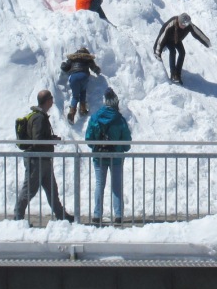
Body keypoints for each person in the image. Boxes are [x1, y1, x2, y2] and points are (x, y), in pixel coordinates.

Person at [14, 89, 74, 222]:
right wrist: (51, 140)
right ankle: (18, 216)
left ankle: (61, 215)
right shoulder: (39, 118)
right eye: (51, 99)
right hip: (37, 160)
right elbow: (38, 138)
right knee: (30, 189)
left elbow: (40, 137)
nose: (52, 101)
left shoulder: (39, 116)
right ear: (47, 101)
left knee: (52, 189)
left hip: (44, 159)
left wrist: (51, 138)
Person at [85, 88, 132, 225]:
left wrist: (96, 147)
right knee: (116, 186)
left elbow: (88, 138)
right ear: (116, 103)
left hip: (99, 156)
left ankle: (97, 214)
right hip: (116, 156)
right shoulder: (119, 119)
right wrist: (122, 148)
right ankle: (118, 215)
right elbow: (126, 141)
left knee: (99, 184)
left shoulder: (95, 118)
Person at [153, 13, 211, 84]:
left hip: (177, 39)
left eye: (186, 25)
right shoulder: (171, 24)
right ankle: (173, 74)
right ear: (179, 22)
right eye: (183, 25)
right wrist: (157, 51)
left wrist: (207, 42)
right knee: (173, 51)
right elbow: (161, 37)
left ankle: (178, 74)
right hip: (167, 39)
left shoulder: (188, 25)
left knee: (182, 52)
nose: (184, 27)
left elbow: (197, 32)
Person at [60, 46, 101, 123]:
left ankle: (71, 113)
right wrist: (98, 71)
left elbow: (65, 67)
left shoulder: (72, 58)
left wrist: (63, 64)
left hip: (74, 77)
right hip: (84, 76)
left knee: (75, 96)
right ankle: (83, 109)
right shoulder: (88, 58)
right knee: (83, 91)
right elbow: (94, 68)